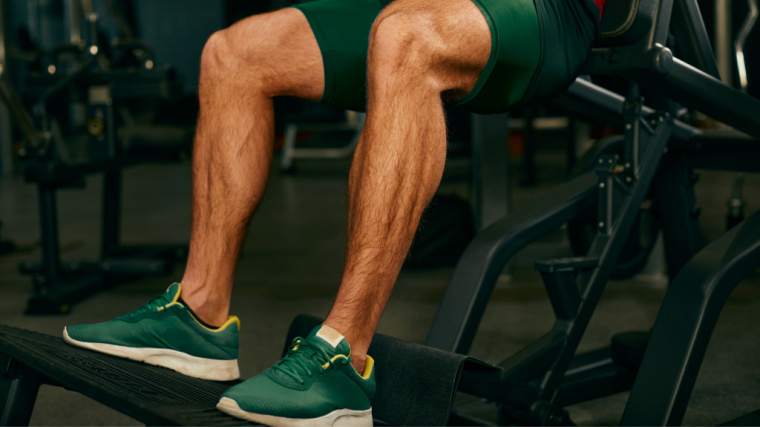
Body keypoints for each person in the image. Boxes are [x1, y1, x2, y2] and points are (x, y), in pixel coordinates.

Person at [63, 0, 605, 425]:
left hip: (547, 9)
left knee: (405, 37)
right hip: (411, 2)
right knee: (234, 52)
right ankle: (197, 315)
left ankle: (343, 359)